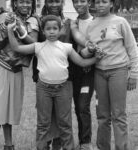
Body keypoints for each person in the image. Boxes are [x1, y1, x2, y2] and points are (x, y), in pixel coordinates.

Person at [7, 15, 104, 150]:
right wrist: (10, 30)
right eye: (48, 29)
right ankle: (42, 147)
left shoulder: (67, 47)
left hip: (63, 88)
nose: (51, 32)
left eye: (55, 28)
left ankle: (68, 147)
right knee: (43, 123)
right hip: (44, 89)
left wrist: (96, 59)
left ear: (60, 30)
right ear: (43, 31)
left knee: (65, 123)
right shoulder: (38, 46)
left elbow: (82, 62)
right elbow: (16, 47)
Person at [75, 0, 138, 149]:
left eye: (104, 2)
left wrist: (134, 73)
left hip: (118, 71)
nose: (100, 5)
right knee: (103, 115)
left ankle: (121, 147)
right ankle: (103, 147)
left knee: (118, 114)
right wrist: (89, 49)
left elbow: (132, 48)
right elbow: (86, 52)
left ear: (111, 4)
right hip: (99, 72)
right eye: (98, 2)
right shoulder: (92, 25)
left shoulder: (120, 22)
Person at [32, 0, 88, 149]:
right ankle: (45, 145)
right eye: (50, 1)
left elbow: (78, 38)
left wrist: (91, 46)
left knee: (62, 116)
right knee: (45, 116)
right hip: (43, 74)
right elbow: (31, 43)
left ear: (62, 3)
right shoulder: (37, 21)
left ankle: (58, 145)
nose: (54, 4)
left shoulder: (69, 22)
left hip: (65, 75)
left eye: (57, 1)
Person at [0, 0, 38, 150]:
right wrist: (6, 26)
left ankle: (9, 145)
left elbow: (33, 45)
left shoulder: (31, 21)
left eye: (28, 2)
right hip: (2, 66)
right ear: (15, 4)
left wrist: (19, 28)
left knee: (9, 110)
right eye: (21, 2)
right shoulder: (5, 16)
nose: (25, 5)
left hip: (17, 69)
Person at [70, 0, 94, 150]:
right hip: (74, 70)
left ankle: (86, 143)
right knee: (78, 107)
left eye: (82, 1)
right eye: (75, 1)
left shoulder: (96, 22)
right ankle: (79, 141)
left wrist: (87, 61)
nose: (79, 4)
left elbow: (99, 46)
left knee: (83, 106)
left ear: (89, 3)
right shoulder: (72, 23)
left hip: (89, 71)